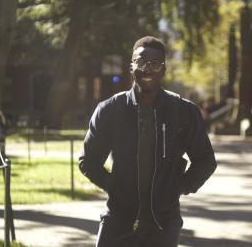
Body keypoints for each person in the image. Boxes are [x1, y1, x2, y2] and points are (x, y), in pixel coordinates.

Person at [79, 36, 217, 247]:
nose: (147, 68)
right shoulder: (110, 110)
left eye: (155, 63)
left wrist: (178, 187)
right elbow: (88, 161)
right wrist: (113, 186)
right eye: (141, 62)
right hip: (118, 219)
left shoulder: (183, 111)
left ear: (164, 69)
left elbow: (205, 160)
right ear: (131, 66)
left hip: (163, 222)